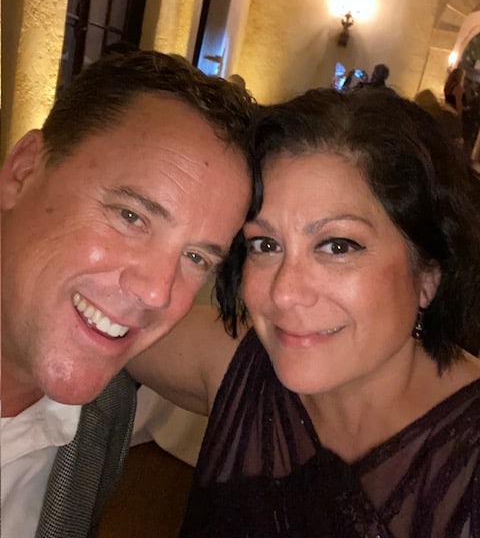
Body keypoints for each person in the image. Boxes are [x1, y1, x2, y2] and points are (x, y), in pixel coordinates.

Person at [131, 87, 480, 537]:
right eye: (265, 245)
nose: (284, 293)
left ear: (428, 274)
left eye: (338, 246)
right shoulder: (233, 363)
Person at [0, 50, 254, 537]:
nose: (158, 292)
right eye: (131, 216)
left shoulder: (103, 419)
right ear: (23, 170)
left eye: (196, 257)